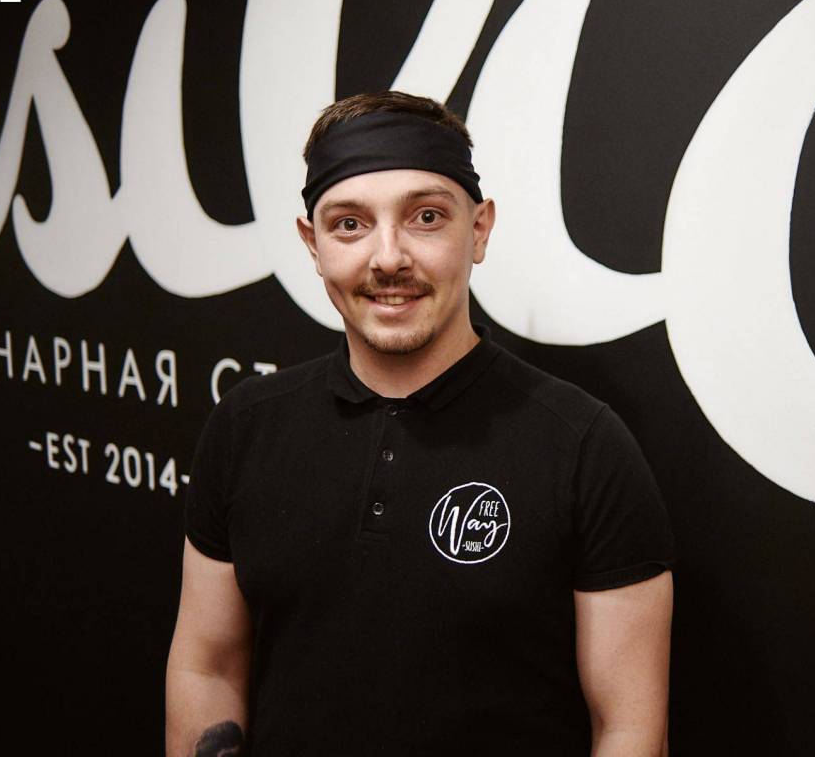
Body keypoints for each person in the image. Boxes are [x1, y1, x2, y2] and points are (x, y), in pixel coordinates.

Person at [165, 91, 675, 756]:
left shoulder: (583, 446)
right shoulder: (245, 427)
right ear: (312, 243)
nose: (387, 258)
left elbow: (628, 727)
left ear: (479, 230)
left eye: (426, 217)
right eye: (349, 224)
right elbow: (207, 668)